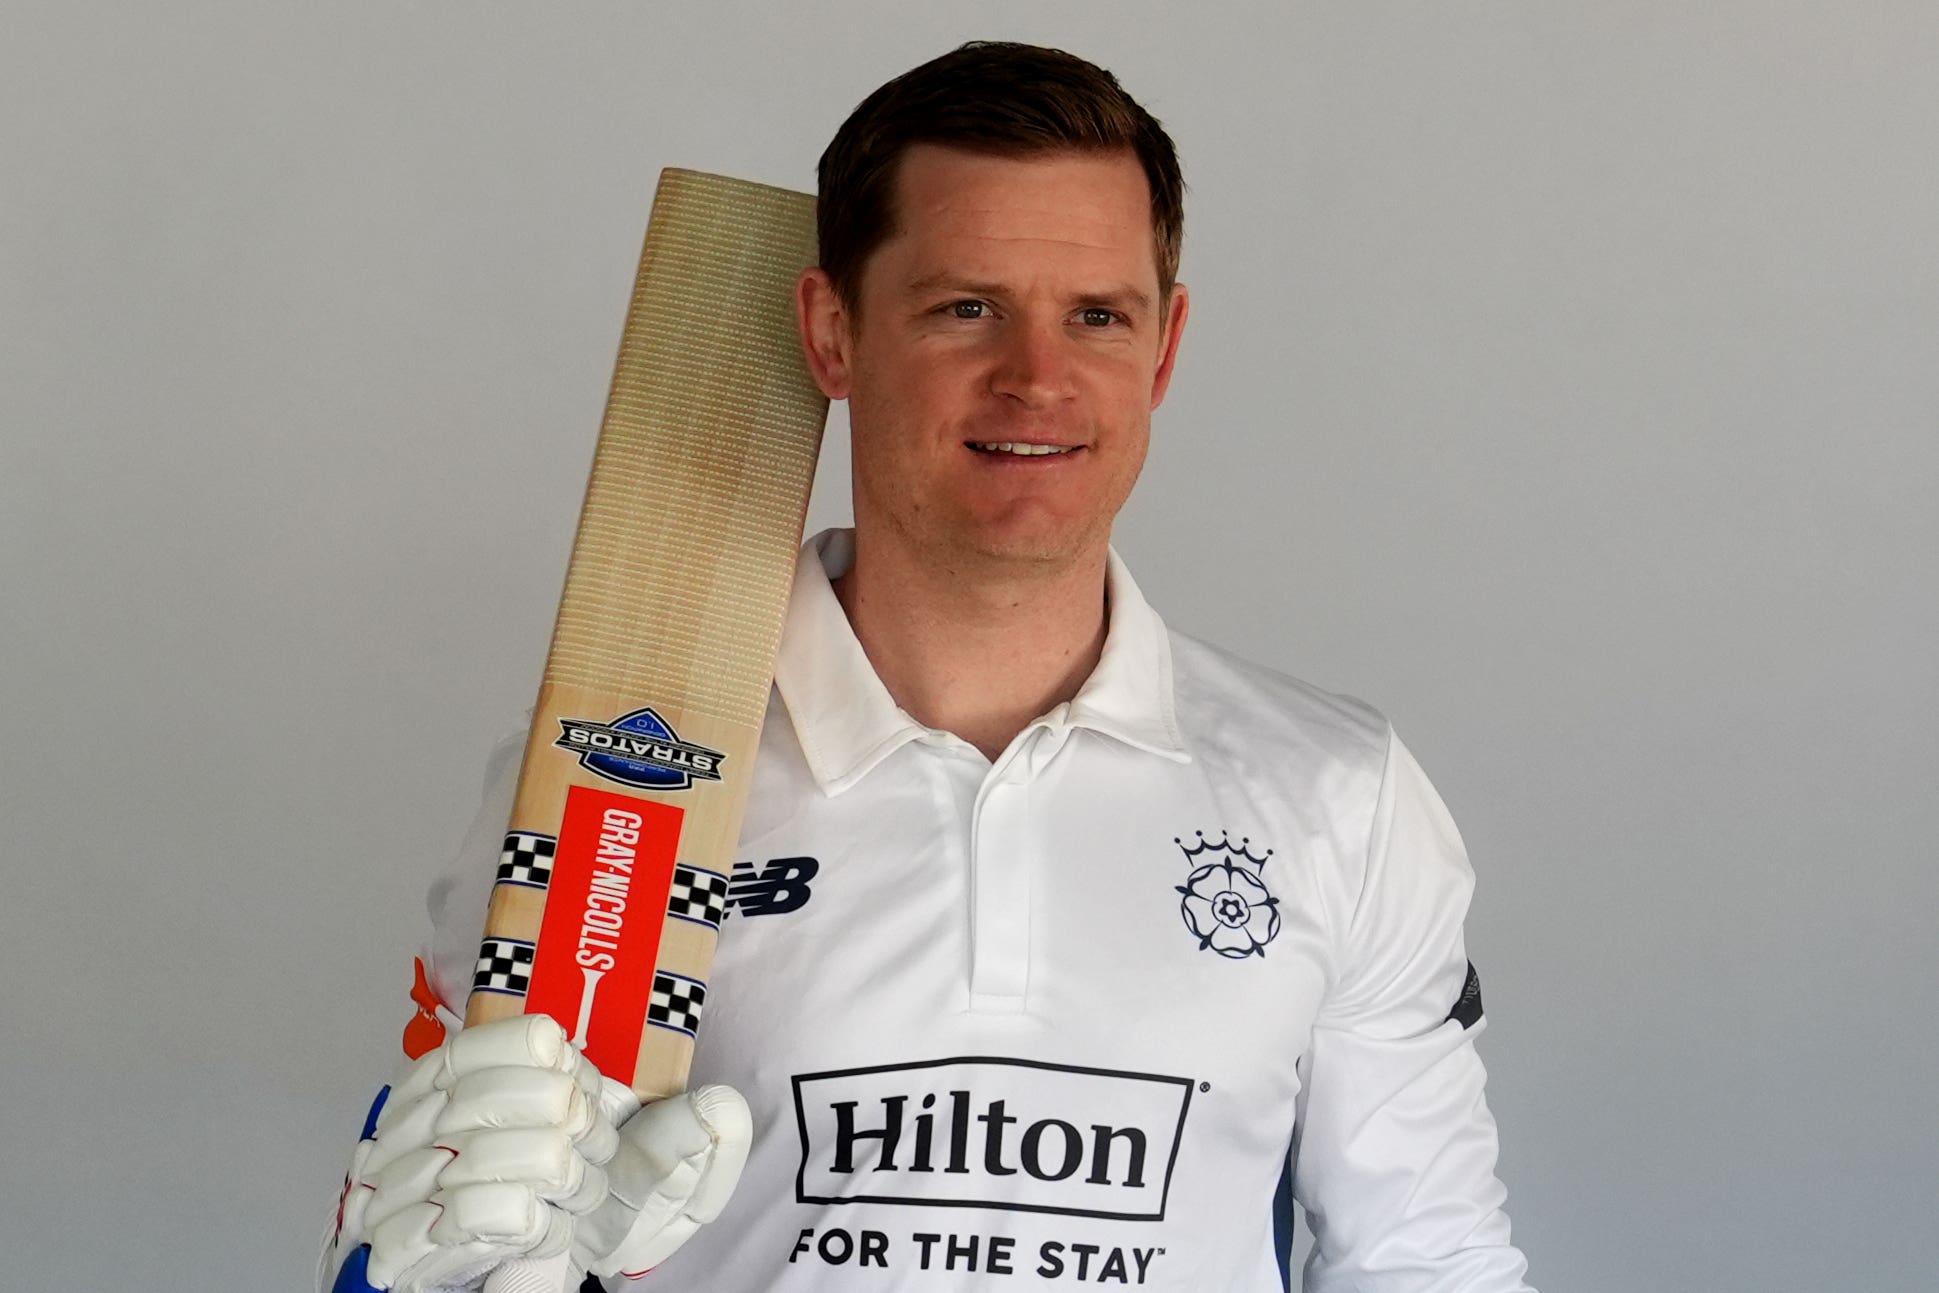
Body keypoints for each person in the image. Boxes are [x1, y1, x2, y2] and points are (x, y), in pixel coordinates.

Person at [323, 41, 1535, 1293]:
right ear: (832, 333)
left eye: (1097, 316)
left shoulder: (1335, 797)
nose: (1037, 379)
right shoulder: (617, 790)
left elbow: (1430, 1263)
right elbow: (431, 1222)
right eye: (967, 309)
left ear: (1164, 347)